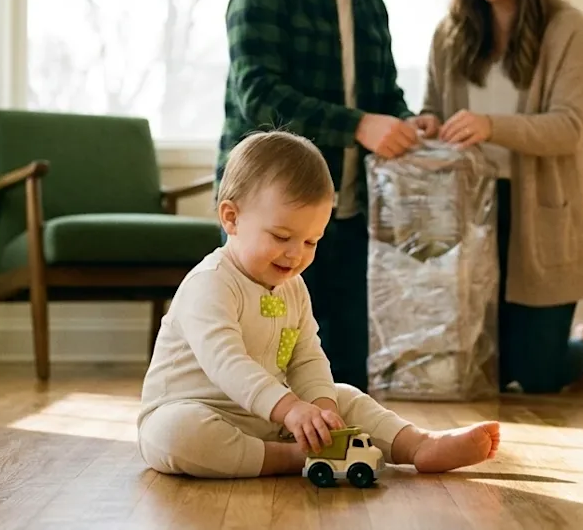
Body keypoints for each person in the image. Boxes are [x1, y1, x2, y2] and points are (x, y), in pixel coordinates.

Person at [137, 131, 500, 479]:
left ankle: (417, 445)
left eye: (312, 241)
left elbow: (306, 356)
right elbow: (227, 362)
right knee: (176, 434)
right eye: (282, 236)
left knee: (345, 397)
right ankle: (291, 458)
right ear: (231, 217)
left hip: (272, 418)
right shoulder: (210, 284)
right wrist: (292, 409)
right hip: (199, 411)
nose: (296, 254)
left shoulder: (292, 287)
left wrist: (323, 411)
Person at [216, 0, 424, 392]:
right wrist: (359, 125)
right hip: (270, 215)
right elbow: (258, 97)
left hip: (344, 216)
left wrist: (410, 123)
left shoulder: (372, 7)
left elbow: (385, 98)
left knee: (346, 374)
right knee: (257, 368)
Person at [410, 0, 583, 395]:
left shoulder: (566, 28)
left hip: (540, 215)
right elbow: (433, 105)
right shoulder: (450, 34)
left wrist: (492, 126)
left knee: (535, 376)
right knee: (483, 367)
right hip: (472, 211)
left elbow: (568, 126)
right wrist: (428, 123)